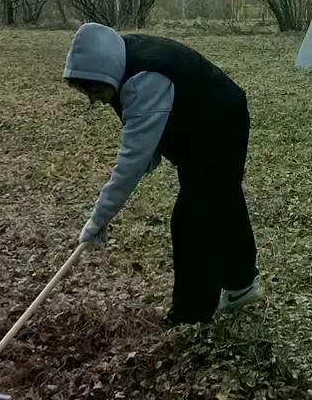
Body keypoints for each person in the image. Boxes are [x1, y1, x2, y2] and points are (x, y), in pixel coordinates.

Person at [63, 22, 262, 325]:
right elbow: (148, 137)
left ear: (105, 73)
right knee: (221, 198)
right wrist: (149, 157)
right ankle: (241, 284)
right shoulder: (119, 60)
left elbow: (131, 161)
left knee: (193, 219)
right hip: (202, 122)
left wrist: (99, 218)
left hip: (219, 122)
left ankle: (189, 316)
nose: (95, 100)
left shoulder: (144, 78)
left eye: (95, 91)